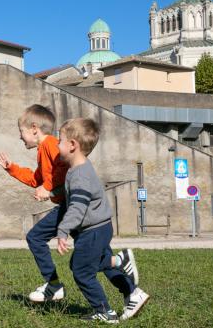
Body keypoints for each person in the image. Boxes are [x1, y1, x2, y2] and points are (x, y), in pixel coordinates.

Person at [55, 118, 149, 323]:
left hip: (93, 231)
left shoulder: (79, 174)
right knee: (94, 264)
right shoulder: (80, 168)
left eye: (59, 140)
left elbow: (78, 207)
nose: (56, 144)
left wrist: (62, 230)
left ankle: (104, 311)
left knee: (81, 271)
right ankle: (132, 290)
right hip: (99, 228)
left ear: (72, 145)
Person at [0, 104, 70, 303]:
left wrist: (49, 190)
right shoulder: (42, 150)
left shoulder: (51, 145)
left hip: (72, 205)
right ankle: (123, 271)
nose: (20, 136)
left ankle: (53, 285)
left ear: (34, 129)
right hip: (67, 206)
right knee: (93, 254)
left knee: (35, 237)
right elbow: (36, 179)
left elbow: (65, 174)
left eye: (21, 131)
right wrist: (12, 169)